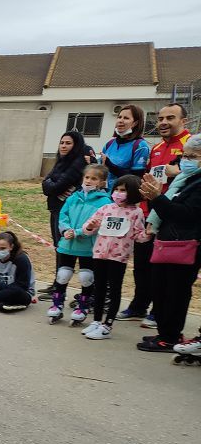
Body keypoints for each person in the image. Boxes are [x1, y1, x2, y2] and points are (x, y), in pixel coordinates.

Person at [118, 103, 191, 325]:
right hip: (149, 213)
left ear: (183, 121)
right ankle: (139, 305)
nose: (164, 123)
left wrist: (178, 170)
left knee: (164, 269)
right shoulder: (156, 147)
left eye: (170, 118)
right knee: (142, 265)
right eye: (160, 119)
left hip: (175, 215)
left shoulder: (192, 145)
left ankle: (159, 312)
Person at [137, 135, 201, 352]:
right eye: (185, 155)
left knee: (175, 293)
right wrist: (156, 197)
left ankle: (170, 337)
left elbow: (184, 215)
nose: (186, 160)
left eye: (193, 156)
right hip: (169, 242)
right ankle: (165, 333)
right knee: (161, 288)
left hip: (186, 246)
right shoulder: (185, 180)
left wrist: (157, 198)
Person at [79, 175, 148, 340]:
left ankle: (107, 325)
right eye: (116, 189)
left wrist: (149, 233)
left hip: (118, 257)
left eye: (123, 190)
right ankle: (96, 321)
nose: (118, 193)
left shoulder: (136, 212)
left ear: (132, 192)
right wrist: (90, 226)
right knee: (99, 288)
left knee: (114, 290)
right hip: (100, 253)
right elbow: (89, 226)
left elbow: (139, 235)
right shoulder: (106, 208)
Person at [44, 164, 110, 323]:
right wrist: (65, 229)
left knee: (86, 277)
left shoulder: (105, 202)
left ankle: (83, 305)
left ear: (102, 182)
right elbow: (63, 214)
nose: (89, 181)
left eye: (94, 178)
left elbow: (97, 222)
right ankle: (57, 304)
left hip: (87, 245)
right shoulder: (73, 197)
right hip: (67, 243)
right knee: (63, 275)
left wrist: (79, 232)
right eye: (87, 177)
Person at [40, 130, 89, 272]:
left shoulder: (78, 164)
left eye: (68, 143)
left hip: (66, 211)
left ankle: (59, 284)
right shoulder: (61, 162)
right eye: (61, 143)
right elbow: (46, 185)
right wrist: (51, 184)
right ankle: (57, 281)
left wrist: (52, 184)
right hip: (55, 208)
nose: (63, 146)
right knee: (58, 245)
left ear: (76, 145)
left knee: (62, 245)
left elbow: (56, 187)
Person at [100, 105, 149, 188]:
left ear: (135, 123)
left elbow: (136, 178)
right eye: (119, 117)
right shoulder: (109, 143)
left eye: (126, 118)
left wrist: (110, 165)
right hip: (104, 194)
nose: (120, 121)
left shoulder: (141, 146)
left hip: (123, 194)